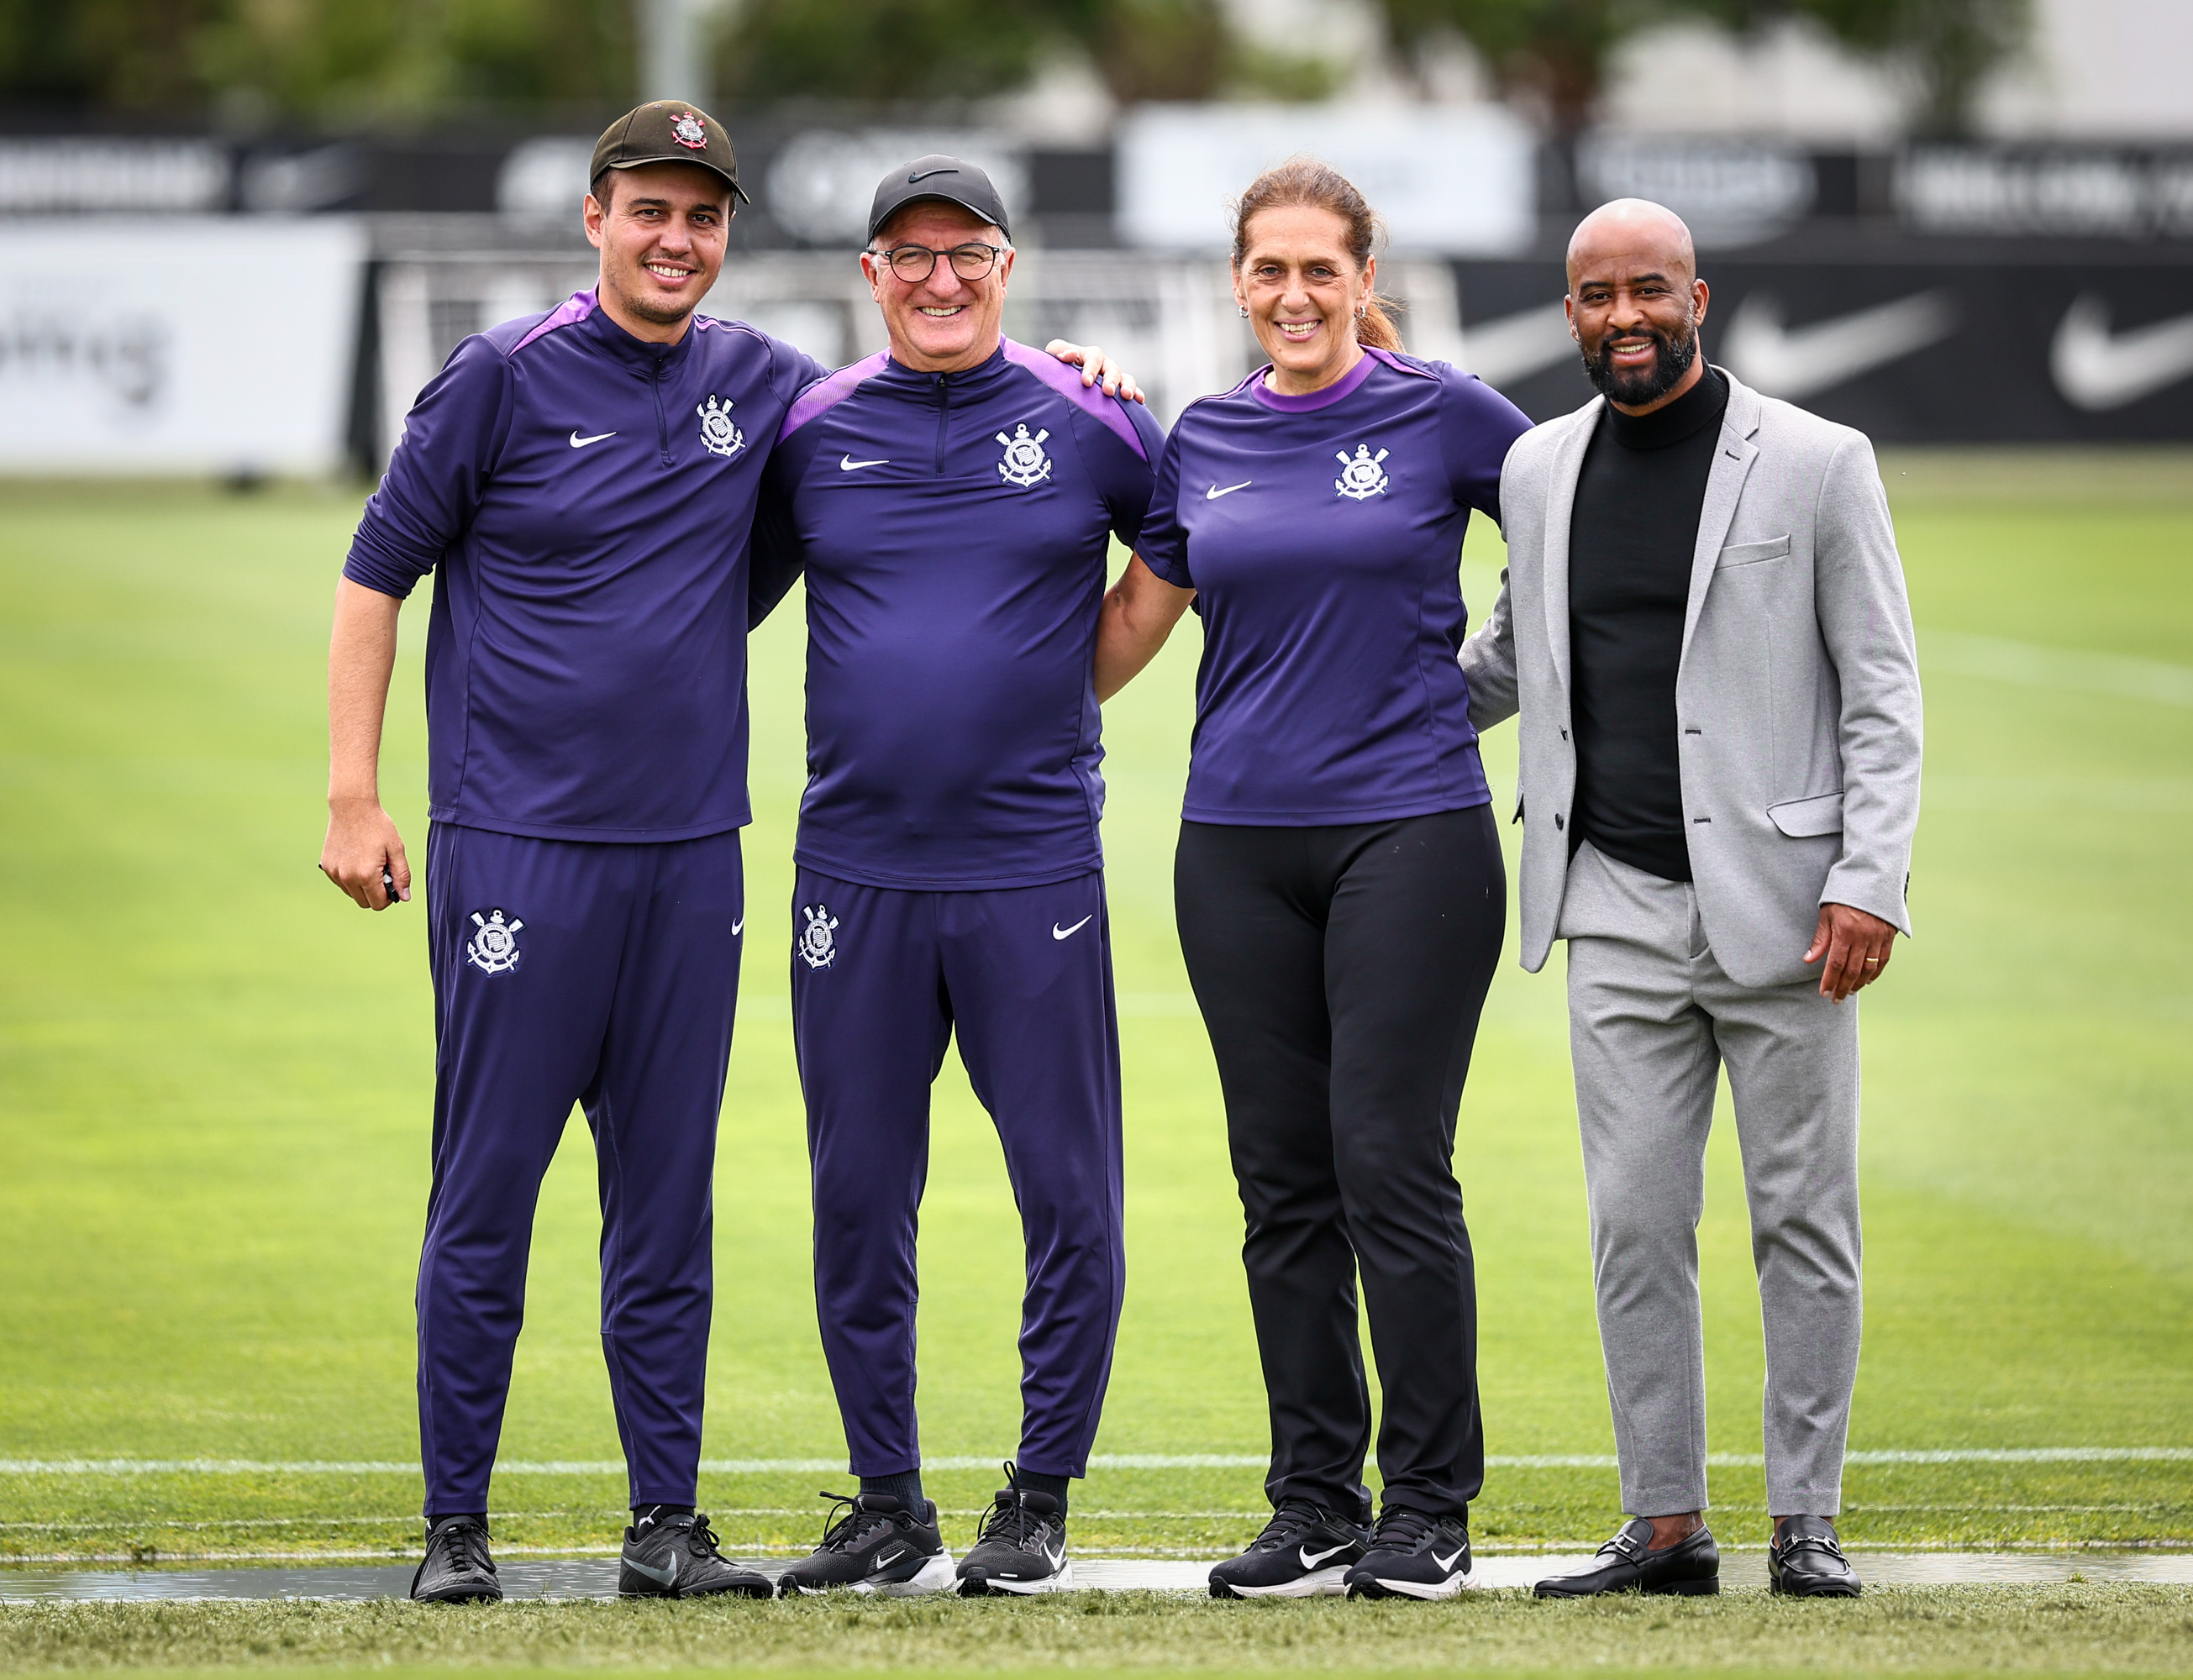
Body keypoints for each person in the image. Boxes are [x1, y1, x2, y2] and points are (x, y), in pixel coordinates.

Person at [319, 106, 1133, 1606]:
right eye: (648, 211)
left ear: (726, 233)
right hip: (515, 850)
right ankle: (454, 1528)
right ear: (595, 219)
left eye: (700, 216)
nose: (674, 238)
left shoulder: (765, 388)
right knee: (486, 1190)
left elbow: (959, 454)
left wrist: (1073, 371)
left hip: (696, 857)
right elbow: (376, 572)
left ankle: (665, 1525)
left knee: (666, 1204)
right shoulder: (499, 377)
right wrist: (353, 799)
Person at [1459, 199, 1922, 1599]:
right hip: (1605, 902)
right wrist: (1325, 664)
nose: (1624, 319)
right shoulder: (1536, 469)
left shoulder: (1818, 462)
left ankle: (1804, 1519)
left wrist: (1867, 880)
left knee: (1802, 1223)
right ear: (1569, 314)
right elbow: (1498, 665)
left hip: (1788, 910)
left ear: (1696, 297)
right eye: (1596, 297)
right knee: (1634, 1227)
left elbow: (1883, 692)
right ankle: (1662, 1525)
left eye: (1647, 292)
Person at [1096, 157, 1532, 1603]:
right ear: (1237, 282)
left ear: (1360, 278)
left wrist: (1474, 690)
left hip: (1408, 832)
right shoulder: (1201, 436)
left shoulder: (1443, 411)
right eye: (1267, 271)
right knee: (1279, 1181)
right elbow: (1124, 635)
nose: (1293, 294)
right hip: (1231, 846)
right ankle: (1314, 1504)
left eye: (1318, 270)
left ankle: (1429, 1508)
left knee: (1389, 1165)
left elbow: (1573, 533)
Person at [749, 155, 1165, 1599]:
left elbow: (1173, 541)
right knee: (857, 1196)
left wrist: (1067, 689)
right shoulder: (807, 431)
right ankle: (886, 1502)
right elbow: (700, 586)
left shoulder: (1088, 414)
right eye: (908, 256)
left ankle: (1036, 1499)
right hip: (848, 874)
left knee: (1069, 1193)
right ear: (870, 273)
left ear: (1007, 264)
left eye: (965, 252)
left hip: (1030, 867)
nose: (938, 279)